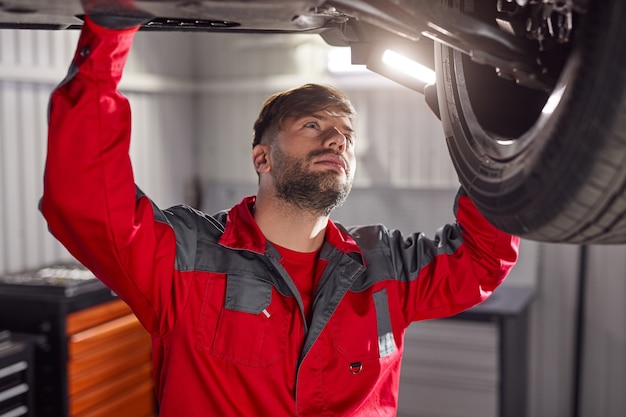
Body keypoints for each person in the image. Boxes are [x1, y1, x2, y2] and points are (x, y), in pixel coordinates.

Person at [41, 14, 520, 417]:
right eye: (312, 125)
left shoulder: (385, 268)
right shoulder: (186, 258)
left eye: (345, 134)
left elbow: (484, 256)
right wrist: (109, 33)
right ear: (262, 158)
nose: (336, 139)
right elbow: (84, 199)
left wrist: (478, 131)